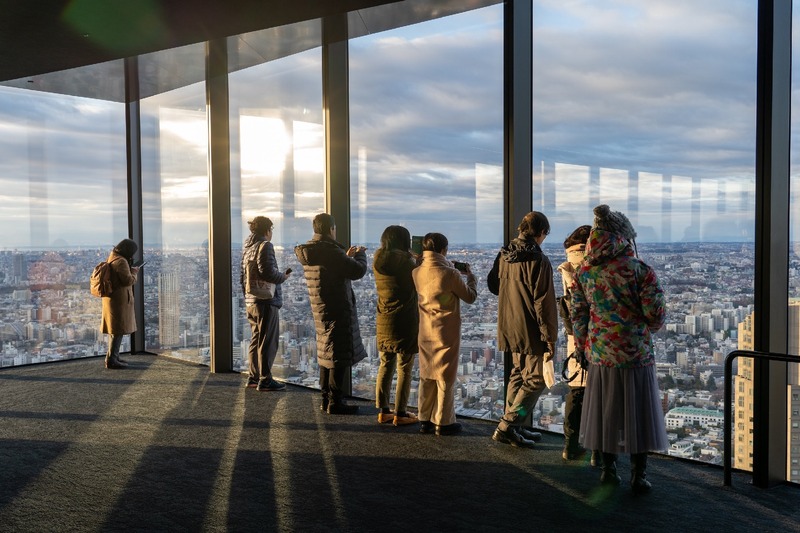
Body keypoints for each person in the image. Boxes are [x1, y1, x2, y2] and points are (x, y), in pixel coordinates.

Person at [572, 204, 668, 494]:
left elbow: (579, 316)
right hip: (636, 352)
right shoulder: (639, 270)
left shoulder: (584, 273)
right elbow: (656, 315)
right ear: (624, 237)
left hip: (601, 353)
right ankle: (638, 475)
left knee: (606, 411)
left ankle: (608, 470)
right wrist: (641, 327)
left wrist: (582, 349)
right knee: (640, 412)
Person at [487, 211, 558, 448]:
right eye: (545, 234)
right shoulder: (538, 260)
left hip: (508, 323)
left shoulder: (505, 255)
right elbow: (544, 303)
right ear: (540, 233)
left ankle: (512, 428)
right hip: (529, 327)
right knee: (536, 378)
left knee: (518, 373)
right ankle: (508, 425)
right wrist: (550, 337)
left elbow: (493, 286)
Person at [295, 213, 368, 415]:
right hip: (337, 308)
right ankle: (336, 401)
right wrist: (361, 254)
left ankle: (325, 398)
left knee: (326, 353)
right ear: (331, 229)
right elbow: (358, 271)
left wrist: (345, 257)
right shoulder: (330, 252)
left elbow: (332, 269)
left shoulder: (312, 251)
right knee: (338, 355)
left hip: (321, 308)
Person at [412, 232, 477, 436]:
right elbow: (470, 297)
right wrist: (471, 277)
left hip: (425, 330)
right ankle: (443, 421)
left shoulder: (416, 272)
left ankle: (424, 419)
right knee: (445, 377)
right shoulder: (450, 274)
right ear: (443, 250)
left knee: (427, 374)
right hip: (445, 331)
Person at [557, 224, 601, 465]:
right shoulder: (592, 268)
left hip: (574, 337)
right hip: (599, 338)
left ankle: (570, 445)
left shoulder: (567, 268)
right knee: (598, 395)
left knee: (577, 392)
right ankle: (597, 450)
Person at [373, 225, 419, 426]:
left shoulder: (378, 259)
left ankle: (383, 411)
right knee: (404, 367)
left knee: (385, 364)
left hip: (384, 318)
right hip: (405, 319)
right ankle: (400, 412)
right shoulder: (408, 263)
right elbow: (418, 281)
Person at [241, 216, 290, 392]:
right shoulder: (265, 246)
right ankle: (266, 379)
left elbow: (243, 277)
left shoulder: (247, 248)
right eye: (271, 230)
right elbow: (268, 272)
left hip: (251, 300)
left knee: (256, 339)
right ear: (267, 230)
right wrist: (283, 277)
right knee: (268, 340)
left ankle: (253, 377)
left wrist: (247, 297)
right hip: (266, 301)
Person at [100, 238, 140, 369]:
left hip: (112, 299)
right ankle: (112, 360)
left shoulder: (112, 256)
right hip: (119, 300)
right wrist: (134, 272)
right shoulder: (121, 261)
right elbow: (128, 280)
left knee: (115, 330)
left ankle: (112, 357)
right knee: (118, 330)